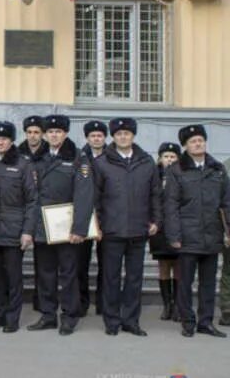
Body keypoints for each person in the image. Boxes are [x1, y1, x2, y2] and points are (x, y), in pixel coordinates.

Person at [92, 117, 161, 337]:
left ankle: (131, 320)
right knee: (111, 278)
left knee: (134, 279)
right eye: (119, 134)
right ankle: (111, 321)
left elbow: (155, 195)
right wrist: (96, 226)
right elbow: (95, 198)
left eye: (127, 133)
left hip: (139, 230)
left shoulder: (146, 162)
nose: (123, 137)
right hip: (111, 231)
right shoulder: (102, 162)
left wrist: (156, 221)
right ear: (113, 136)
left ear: (133, 136)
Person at [26, 114, 94, 336]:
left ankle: (69, 316)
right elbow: (31, 194)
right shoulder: (38, 157)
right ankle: (47, 315)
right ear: (45, 135)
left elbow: (84, 195)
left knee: (68, 274)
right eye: (50, 132)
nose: (54, 135)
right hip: (42, 226)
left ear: (65, 133)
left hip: (66, 228)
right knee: (45, 273)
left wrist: (79, 229)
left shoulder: (78, 158)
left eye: (58, 132)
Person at [165, 125, 230, 338]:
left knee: (208, 283)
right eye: (193, 141)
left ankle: (206, 322)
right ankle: (188, 321)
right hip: (187, 235)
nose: (198, 143)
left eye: (200, 140)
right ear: (185, 145)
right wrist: (173, 235)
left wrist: (228, 230)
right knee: (185, 283)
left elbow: (226, 203)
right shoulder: (177, 170)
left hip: (212, 234)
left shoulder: (218, 169)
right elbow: (171, 205)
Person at [0, 121, 37, 333]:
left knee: (13, 277)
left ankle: (12, 318)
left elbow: (33, 200)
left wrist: (27, 231)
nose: (0, 142)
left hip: (15, 230)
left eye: (4, 138)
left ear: (12, 140)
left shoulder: (24, 164)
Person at [79, 120, 108, 317]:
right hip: (85, 215)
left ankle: (104, 303)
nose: (96, 139)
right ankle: (82, 302)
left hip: (107, 216)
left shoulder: (113, 157)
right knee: (81, 263)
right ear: (87, 138)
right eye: (92, 136)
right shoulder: (79, 157)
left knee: (107, 265)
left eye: (99, 135)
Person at [151, 142, 182, 321]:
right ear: (160, 158)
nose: (169, 159)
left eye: (172, 156)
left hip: (177, 227)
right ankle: (167, 305)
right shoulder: (154, 176)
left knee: (178, 267)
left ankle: (177, 305)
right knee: (163, 266)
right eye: (166, 156)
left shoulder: (183, 174)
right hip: (160, 229)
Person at [18, 114, 46, 312]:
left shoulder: (49, 154)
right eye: (29, 132)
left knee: (43, 263)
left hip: (44, 211)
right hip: (23, 212)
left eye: (36, 132)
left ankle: (41, 300)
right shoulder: (18, 153)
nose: (33, 136)